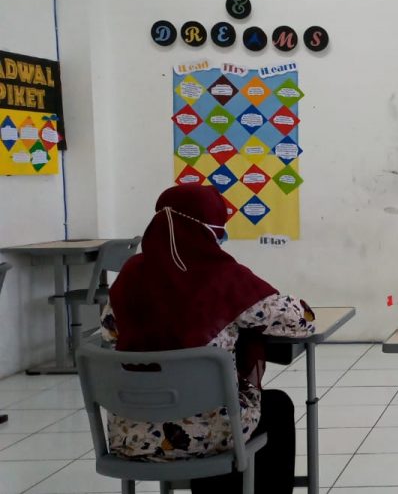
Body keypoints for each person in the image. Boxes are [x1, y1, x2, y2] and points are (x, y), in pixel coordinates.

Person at [100, 184, 314, 494]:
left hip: (130, 434)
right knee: (274, 406)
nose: (220, 238)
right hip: (203, 436)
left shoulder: (130, 276)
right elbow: (300, 321)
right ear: (204, 231)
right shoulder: (224, 278)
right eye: (218, 230)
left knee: (212, 406)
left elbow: (110, 332)